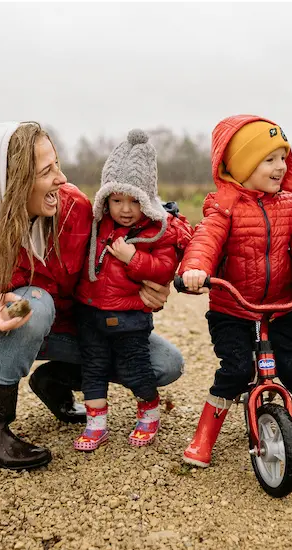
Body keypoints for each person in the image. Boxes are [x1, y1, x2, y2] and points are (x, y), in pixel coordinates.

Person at [0, 121, 185, 470]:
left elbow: (133, 237)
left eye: (57, 165)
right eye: (46, 171)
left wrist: (154, 281)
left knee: (164, 365)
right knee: (35, 302)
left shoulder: (75, 207)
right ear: (13, 182)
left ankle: (54, 379)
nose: (61, 179)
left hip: (67, 326)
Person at [178, 115, 292, 468]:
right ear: (243, 166)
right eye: (269, 159)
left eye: (283, 158)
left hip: (279, 308)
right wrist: (195, 269)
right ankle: (203, 439)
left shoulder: (289, 206)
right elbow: (206, 239)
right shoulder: (223, 206)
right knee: (236, 369)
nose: (280, 167)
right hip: (233, 310)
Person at [73, 129, 192, 451]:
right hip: (90, 314)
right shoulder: (98, 225)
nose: (125, 209)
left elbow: (164, 269)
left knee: (135, 368)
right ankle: (95, 424)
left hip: (130, 317)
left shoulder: (157, 232)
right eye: (116, 200)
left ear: (147, 200)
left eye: (134, 200)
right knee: (93, 370)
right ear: (105, 200)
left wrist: (133, 258)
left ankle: (149, 412)